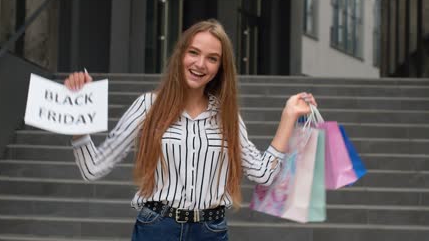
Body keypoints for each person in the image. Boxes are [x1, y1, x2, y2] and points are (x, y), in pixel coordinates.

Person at [64, 19, 317, 241]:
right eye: (194, 52)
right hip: (157, 229)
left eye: (212, 58)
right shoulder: (147, 106)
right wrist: (78, 113)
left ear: (220, 67)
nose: (200, 63)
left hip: (211, 231)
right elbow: (92, 168)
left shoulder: (226, 116)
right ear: (181, 55)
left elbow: (263, 174)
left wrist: (288, 115)